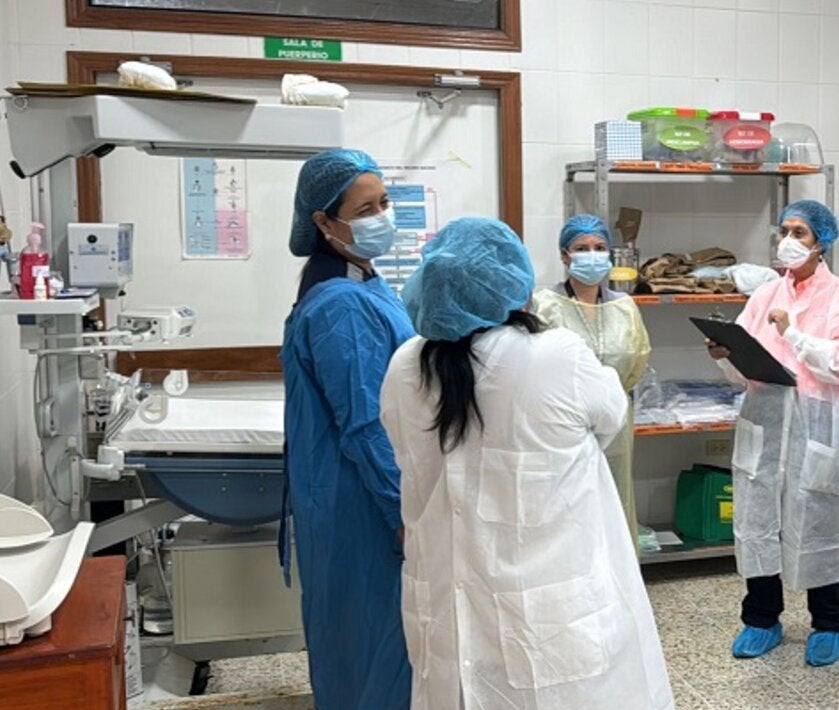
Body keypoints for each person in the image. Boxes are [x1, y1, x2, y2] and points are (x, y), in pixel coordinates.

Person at [380, 217, 674, 709]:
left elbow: (402, 451)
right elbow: (610, 418)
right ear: (513, 284)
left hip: (447, 604)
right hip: (548, 612)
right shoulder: (554, 356)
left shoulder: (406, 364)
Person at [278, 149, 415, 709]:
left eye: (384, 202)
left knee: (357, 635)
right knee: (373, 639)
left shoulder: (358, 281)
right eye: (366, 207)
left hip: (346, 496)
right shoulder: (342, 305)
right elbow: (364, 424)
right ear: (322, 221)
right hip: (360, 503)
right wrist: (400, 511)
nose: (383, 215)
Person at [704, 200, 839, 667]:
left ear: (823, 243)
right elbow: (742, 373)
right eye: (785, 231)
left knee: (818, 518)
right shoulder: (763, 296)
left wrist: (793, 333)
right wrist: (723, 354)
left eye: (801, 233)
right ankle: (761, 618)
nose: (789, 242)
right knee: (757, 520)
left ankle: (829, 621)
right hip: (765, 418)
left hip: (816, 425)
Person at [532, 214, 651, 549]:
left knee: (615, 495)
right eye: (581, 248)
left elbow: (638, 360)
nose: (592, 254)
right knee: (568, 501)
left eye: (600, 247)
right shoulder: (545, 305)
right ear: (564, 255)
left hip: (615, 421)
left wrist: (608, 398)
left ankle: (618, 582)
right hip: (562, 421)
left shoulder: (625, 307)